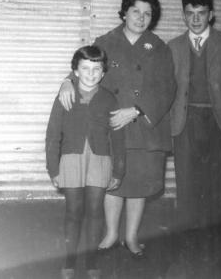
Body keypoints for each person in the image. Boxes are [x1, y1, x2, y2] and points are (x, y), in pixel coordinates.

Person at [59, 0, 176, 260]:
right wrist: (67, 81)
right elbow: (84, 66)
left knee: (139, 184)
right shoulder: (105, 41)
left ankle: (131, 235)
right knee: (113, 182)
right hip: (112, 126)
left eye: (147, 13)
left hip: (145, 127)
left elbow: (167, 87)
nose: (141, 17)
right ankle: (111, 233)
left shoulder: (160, 48)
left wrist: (136, 110)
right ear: (124, 12)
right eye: (135, 10)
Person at [167, 0, 221, 265]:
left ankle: (212, 244)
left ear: (211, 14)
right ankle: (188, 244)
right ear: (183, 15)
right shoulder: (174, 46)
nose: (196, 19)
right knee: (187, 185)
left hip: (219, 123)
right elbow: (166, 90)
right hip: (185, 122)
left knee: (215, 186)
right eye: (190, 14)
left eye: (201, 13)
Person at [45, 46, 127, 279]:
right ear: (76, 72)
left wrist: (119, 170)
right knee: (73, 211)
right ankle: (69, 260)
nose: (91, 74)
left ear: (103, 72)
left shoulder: (109, 98)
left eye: (96, 69)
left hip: (100, 160)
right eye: (85, 69)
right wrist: (53, 168)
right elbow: (52, 135)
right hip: (71, 160)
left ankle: (92, 262)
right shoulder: (64, 96)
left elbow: (118, 136)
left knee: (95, 211)